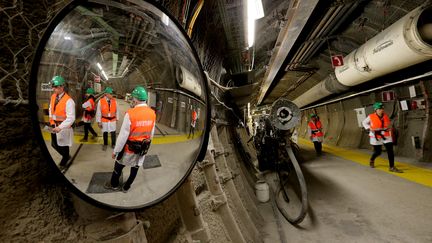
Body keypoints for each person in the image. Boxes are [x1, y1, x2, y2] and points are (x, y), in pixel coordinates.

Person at [104, 86, 156, 192]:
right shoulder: (152, 113)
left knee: (118, 165)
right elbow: (151, 134)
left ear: (136, 99)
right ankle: (126, 187)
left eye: (133, 98)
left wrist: (116, 151)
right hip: (143, 148)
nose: (132, 100)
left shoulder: (131, 114)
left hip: (129, 149)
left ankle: (114, 184)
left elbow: (123, 136)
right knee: (135, 167)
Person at [362, 102, 402, 173]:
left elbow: (388, 125)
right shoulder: (371, 116)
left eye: (382, 109)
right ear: (376, 110)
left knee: (390, 151)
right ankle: (372, 159)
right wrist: (369, 128)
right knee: (378, 152)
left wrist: (389, 128)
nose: (381, 110)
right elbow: (364, 122)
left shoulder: (386, 116)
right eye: (380, 109)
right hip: (375, 136)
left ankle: (391, 167)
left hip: (385, 135)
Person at [48, 76, 75, 168]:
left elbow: (71, 118)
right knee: (54, 144)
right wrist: (52, 122)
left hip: (63, 128)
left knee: (64, 145)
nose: (53, 89)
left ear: (62, 87)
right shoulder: (53, 97)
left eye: (55, 87)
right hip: (54, 125)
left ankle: (65, 159)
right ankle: (66, 156)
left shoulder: (69, 101)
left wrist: (60, 127)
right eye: (53, 87)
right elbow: (51, 109)